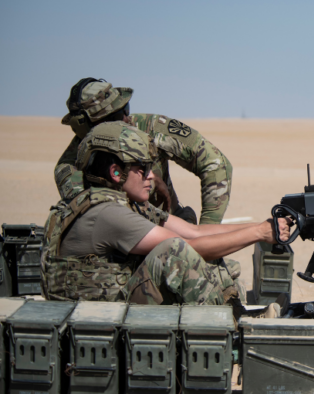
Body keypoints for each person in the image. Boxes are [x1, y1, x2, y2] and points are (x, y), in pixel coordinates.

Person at [41, 121, 289, 312]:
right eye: (142, 168)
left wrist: (265, 226)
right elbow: (187, 247)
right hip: (96, 319)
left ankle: (232, 313)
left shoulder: (125, 204)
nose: (151, 176)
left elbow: (195, 232)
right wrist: (260, 234)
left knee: (212, 259)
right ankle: (228, 327)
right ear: (116, 173)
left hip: (113, 306)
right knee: (176, 254)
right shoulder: (107, 214)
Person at [55, 77, 231, 224]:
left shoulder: (150, 127)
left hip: (172, 233)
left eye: (125, 108)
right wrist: (150, 184)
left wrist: (208, 231)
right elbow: (102, 214)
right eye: (116, 117)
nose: (126, 117)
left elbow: (215, 164)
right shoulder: (70, 169)